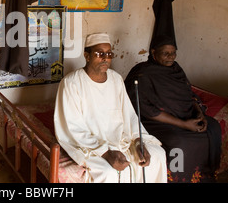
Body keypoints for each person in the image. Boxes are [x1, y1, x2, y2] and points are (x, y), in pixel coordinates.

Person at [54, 33, 167, 183]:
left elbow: (129, 115)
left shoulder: (116, 79)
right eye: (99, 53)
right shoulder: (71, 83)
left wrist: (139, 141)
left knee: (158, 154)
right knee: (109, 172)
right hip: (91, 146)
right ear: (87, 56)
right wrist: (106, 153)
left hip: (121, 139)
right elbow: (73, 128)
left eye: (109, 54)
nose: (105, 58)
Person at [124, 35, 222, 183]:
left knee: (213, 127)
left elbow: (189, 94)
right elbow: (144, 108)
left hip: (184, 115)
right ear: (154, 53)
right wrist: (183, 124)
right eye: (166, 53)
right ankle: (176, 178)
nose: (171, 57)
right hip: (156, 121)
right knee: (179, 142)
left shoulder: (176, 69)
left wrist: (199, 114)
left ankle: (204, 178)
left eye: (173, 53)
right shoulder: (142, 73)